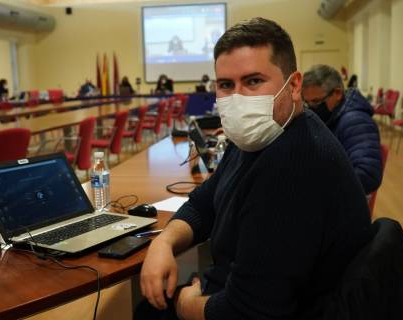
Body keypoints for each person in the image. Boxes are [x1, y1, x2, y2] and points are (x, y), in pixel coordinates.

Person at [137, 18, 372, 320]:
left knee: (149, 310)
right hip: (237, 288)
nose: (238, 98)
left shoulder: (293, 166)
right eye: (225, 85)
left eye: (253, 81)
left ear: (295, 85)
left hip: (279, 310)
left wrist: (185, 303)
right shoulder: (260, 134)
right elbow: (205, 201)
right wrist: (163, 242)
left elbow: (249, 312)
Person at [302, 64, 383, 195]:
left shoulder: (356, 121)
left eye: (316, 102)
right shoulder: (331, 117)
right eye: (307, 103)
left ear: (338, 93)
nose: (311, 108)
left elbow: (368, 175)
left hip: (345, 202)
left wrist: (318, 183)